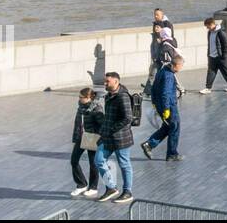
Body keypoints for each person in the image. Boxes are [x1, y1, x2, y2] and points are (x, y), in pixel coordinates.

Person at [93, 71, 135, 203]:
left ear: (116, 82)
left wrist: (112, 129)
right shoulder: (108, 96)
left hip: (121, 138)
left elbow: (128, 118)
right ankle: (111, 187)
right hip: (107, 136)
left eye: (107, 82)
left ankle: (127, 191)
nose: (105, 83)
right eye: (105, 81)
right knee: (99, 160)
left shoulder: (123, 96)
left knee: (124, 164)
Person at [141, 53, 183, 162]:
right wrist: (166, 109)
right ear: (176, 65)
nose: (181, 68)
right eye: (181, 66)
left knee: (167, 127)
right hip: (169, 106)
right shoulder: (169, 75)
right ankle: (172, 154)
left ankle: (149, 144)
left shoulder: (162, 71)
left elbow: (154, 88)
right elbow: (166, 93)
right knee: (175, 127)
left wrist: (155, 102)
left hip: (160, 104)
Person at [69, 87, 102, 197]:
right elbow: (77, 123)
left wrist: (99, 138)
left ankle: (93, 187)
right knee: (74, 160)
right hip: (81, 136)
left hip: (92, 136)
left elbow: (101, 124)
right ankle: (81, 184)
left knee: (93, 163)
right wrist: (75, 137)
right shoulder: (80, 107)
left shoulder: (96, 108)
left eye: (81, 97)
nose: (79, 99)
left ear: (89, 98)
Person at [199, 17, 227, 94]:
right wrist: (209, 54)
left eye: (208, 26)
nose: (207, 28)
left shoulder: (221, 33)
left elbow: (226, 45)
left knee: (225, 71)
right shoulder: (209, 32)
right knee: (211, 72)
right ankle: (208, 88)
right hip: (212, 56)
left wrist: (224, 56)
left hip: (220, 57)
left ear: (212, 24)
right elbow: (210, 44)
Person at [145, 9, 174, 89]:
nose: (155, 16)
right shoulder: (156, 23)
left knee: (154, 70)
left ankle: (148, 89)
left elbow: (170, 37)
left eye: (157, 15)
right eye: (154, 14)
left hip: (162, 52)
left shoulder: (166, 24)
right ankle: (149, 87)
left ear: (162, 15)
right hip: (157, 51)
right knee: (155, 70)